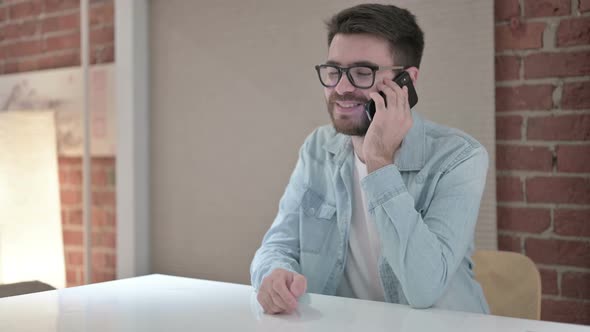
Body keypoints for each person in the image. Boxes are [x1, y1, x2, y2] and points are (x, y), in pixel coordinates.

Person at [250, 3, 490, 315]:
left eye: (362, 73)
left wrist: (379, 160)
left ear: (407, 81)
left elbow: (423, 288)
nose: (342, 87)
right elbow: (277, 245)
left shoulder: (459, 158)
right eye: (334, 71)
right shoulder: (318, 147)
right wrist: (273, 274)